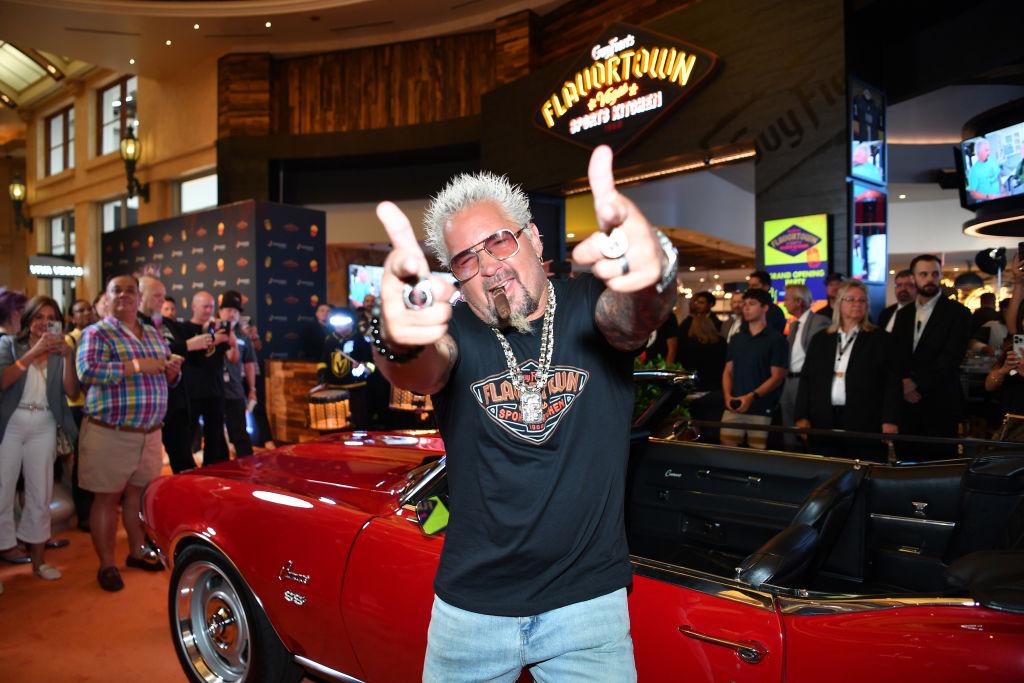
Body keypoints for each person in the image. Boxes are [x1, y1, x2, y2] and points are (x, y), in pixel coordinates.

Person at [372, 145, 677, 680]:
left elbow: (628, 320)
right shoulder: (455, 330)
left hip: (587, 606)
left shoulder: (588, 304)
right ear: (456, 278)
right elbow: (422, 369)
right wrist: (394, 339)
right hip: (471, 609)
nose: (488, 266)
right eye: (466, 259)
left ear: (533, 239)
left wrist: (650, 275)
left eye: (498, 241)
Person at [77, 275, 183, 591]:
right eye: (116, 290)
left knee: (138, 496)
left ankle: (137, 551)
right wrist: (136, 366)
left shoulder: (152, 333)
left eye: (130, 290)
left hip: (150, 433)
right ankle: (107, 564)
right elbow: (88, 371)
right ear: (106, 298)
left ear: (139, 298)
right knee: (107, 500)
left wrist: (171, 374)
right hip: (111, 432)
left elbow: (163, 375)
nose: (124, 295)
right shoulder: (96, 332)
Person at [0, 296, 80, 582]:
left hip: (45, 423)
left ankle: (39, 562)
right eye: (38, 316)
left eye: (51, 317)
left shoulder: (62, 352)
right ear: (27, 320)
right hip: (10, 424)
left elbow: (72, 392)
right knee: (2, 491)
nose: (44, 323)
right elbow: (3, 380)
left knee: (40, 492)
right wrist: (34, 352)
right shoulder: (8, 344)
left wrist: (69, 357)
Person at [794, 280, 899, 459]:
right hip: (822, 420)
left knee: (862, 473)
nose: (857, 304)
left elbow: (892, 383)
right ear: (839, 303)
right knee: (827, 473)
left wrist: (889, 419)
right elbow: (806, 380)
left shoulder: (880, 339)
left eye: (862, 300)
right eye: (851, 299)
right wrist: (801, 416)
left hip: (865, 421)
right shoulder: (821, 339)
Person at [892, 254, 972, 458]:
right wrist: (904, 382)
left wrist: (915, 383)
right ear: (914, 277)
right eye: (924, 274)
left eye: (935, 274)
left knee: (939, 466)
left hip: (940, 401)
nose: (930, 279)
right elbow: (897, 354)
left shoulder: (958, 313)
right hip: (906, 403)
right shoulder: (903, 314)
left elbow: (951, 357)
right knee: (905, 462)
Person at [139, 276, 200, 473]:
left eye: (164, 296)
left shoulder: (167, 323)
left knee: (184, 461)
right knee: (146, 470)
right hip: (148, 406)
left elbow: (184, 354)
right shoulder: (133, 325)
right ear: (141, 295)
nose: (162, 301)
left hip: (176, 400)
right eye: (157, 295)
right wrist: (185, 346)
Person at [721, 288, 789, 450]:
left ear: (765, 308)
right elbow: (728, 371)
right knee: (726, 452)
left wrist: (751, 397)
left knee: (759, 456)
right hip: (733, 405)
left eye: (752, 304)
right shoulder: (737, 338)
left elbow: (777, 377)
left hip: (761, 407)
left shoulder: (776, 339)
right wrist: (727, 396)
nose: (746, 308)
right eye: (744, 304)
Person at [182, 291, 237, 466]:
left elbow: (233, 357)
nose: (208, 310)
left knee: (215, 437)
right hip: (192, 391)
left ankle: (210, 473)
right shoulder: (184, 329)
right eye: (205, 306)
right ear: (193, 306)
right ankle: (185, 472)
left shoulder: (218, 328)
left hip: (215, 391)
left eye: (211, 307)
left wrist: (230, 332)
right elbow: (190, 352)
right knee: (187, 437)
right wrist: (216, 339)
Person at [779, 284, 830, 449]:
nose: (784, 302)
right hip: (788, 381)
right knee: (788, 430)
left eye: (786, 299)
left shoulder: (820, 322)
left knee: (806, 427)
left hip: (806, 382)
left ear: (799, 301)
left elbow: (820, 359)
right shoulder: (794, 325)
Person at [65, 299, 97, 530]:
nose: (86, 313)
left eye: (88, 309)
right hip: (75, 405)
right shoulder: (69, 339)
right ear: (72, 317)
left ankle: (94, 508)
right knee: (80, 461)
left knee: (93, 460)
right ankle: (83, 513)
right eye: (80, 311)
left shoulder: (96, 336)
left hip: (95, 405)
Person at [316, 307, 374, 427]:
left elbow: (370, 364)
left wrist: (361, 369)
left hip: (356, 390)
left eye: (342, 324)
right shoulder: (330, 340)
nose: (338, 327)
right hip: (334, 389)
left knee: (358, 424)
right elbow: (323, 362)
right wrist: (322, 377)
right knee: (338, 425)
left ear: (351, 322)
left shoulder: (360, 339)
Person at [218, 290, 256, 457]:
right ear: (220, 311)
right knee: (216, 433)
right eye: (228, 309)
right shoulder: (211, 331)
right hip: (214, 390)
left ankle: (248, 467)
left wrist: (252, 389)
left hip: (235, 390)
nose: (232, 314)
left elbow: (248, 364)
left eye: (236, 311)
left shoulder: (243, 336)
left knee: (240, 431)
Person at [677, 291, 726, 391]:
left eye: (701, 302)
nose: (698, 305)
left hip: (709, 379)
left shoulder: (718, 324)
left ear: (710, 304)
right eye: (696, 302)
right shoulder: (686, 323)